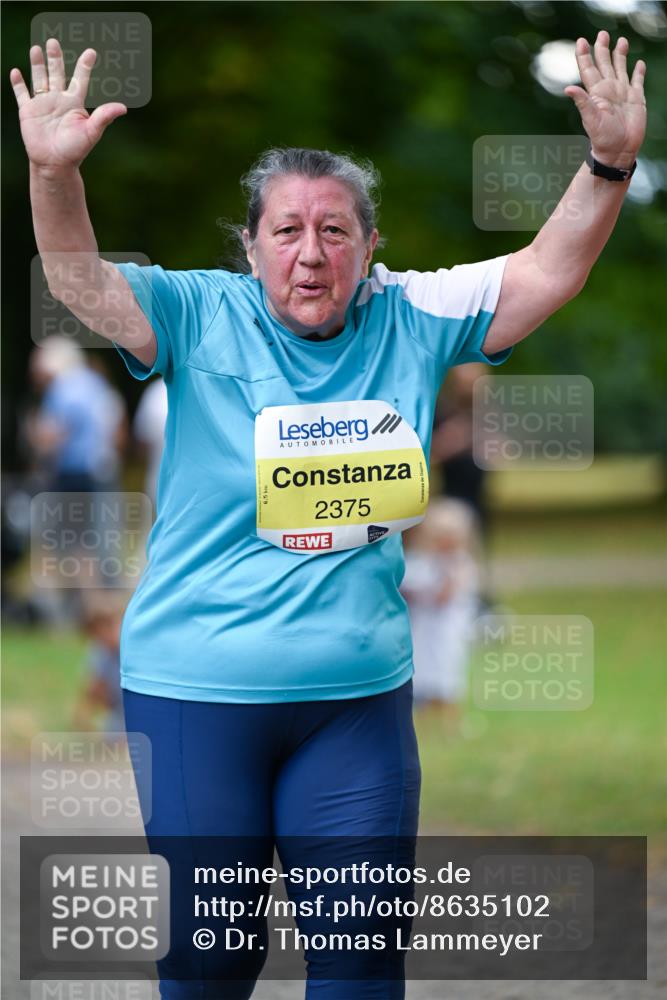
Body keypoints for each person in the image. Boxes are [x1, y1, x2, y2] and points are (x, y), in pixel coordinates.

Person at [11, 30, 647, 999]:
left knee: (358, 960)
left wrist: (608, 164)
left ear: (369, 246)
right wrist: (52, 174)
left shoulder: (412, 314)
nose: (311, 255)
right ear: (251, 245)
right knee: (212, 957)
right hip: (196, 694)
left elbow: (543, 273)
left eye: (335, 231)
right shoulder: (196, 313)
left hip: (354, 706)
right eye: (287, 232)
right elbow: (78, 282)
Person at [400, 499, 481, 729]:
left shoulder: (461, 564)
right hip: (423, 629)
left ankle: (451, 720)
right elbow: (409, 587)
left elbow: (448, 595)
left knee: (448, 672)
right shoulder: (420, 562)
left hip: (449, 629)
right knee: (422, 672)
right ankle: (422, 720)